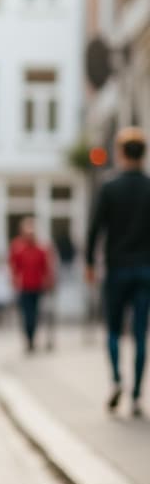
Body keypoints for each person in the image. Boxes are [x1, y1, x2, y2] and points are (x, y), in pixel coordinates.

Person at [85, 126, 150, 417]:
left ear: (121, 153)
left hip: (117, 268)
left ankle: (116, 380)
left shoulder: (110, 188)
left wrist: (89, 263)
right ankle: (136, 395)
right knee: (139, 333)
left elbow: (95, 228)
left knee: (112, 329)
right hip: (145, 269)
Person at [8, 216, 55, 352]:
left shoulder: (41, 248)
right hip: (23, 286)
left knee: (35, 313)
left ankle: (32, 338)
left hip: (38, 285)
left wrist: (49, 281)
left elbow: (46, 267)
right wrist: (14, 279)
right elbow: (13, 266)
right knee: (26, 314)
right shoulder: (17, 247)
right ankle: (28, 338)